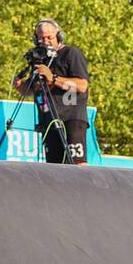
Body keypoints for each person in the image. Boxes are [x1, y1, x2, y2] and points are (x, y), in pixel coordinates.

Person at [12, 18, 90, 165]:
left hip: (71, 118)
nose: (45, 41)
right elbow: (29, 90)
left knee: (77, 164)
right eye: (41, 38)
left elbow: (82, 85)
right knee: (53, 168)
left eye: (49, 37)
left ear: (58, 36)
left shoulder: (70, 53)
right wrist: (19, 85)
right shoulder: (40, 59)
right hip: (48, 122)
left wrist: (53, 78)